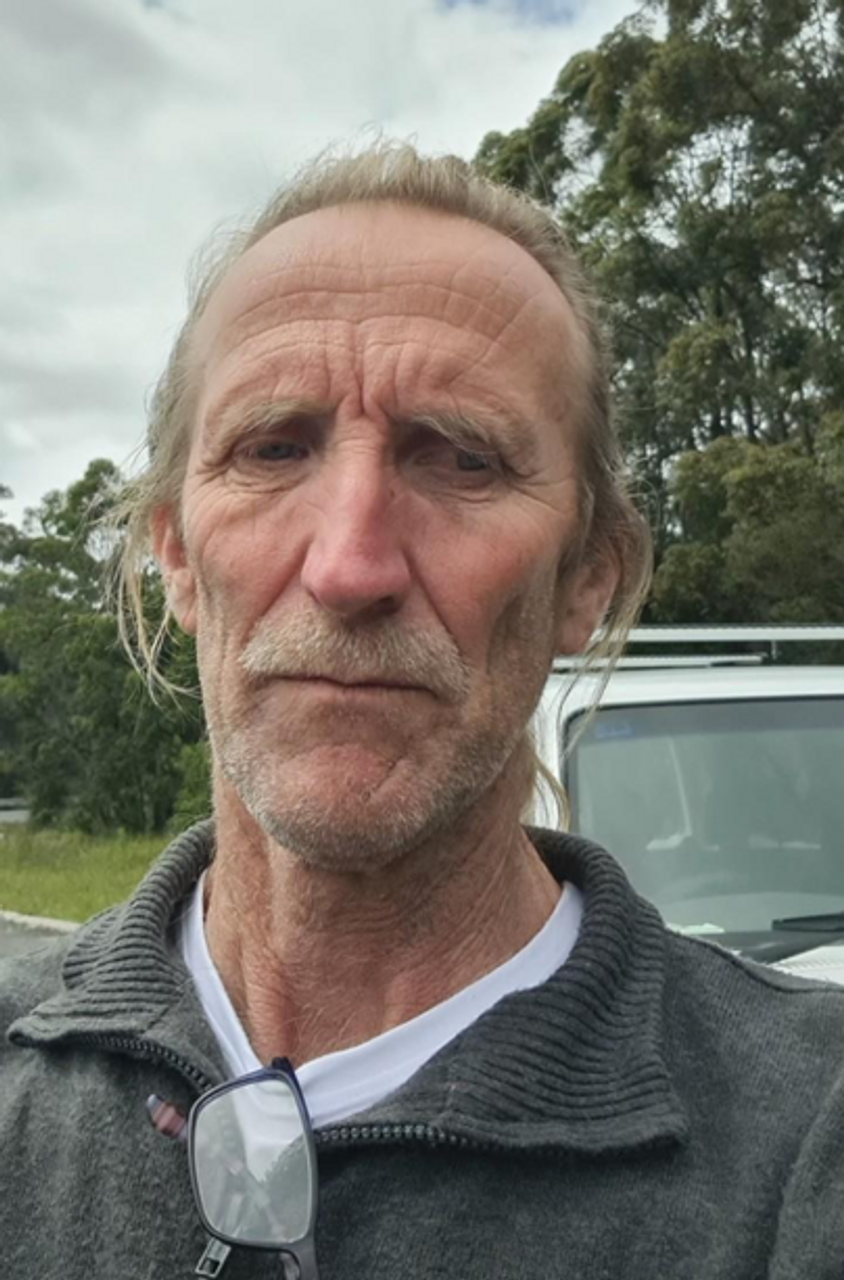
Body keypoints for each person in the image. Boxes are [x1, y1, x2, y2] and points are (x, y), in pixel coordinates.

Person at [2, 141, 844, 1280]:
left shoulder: (805, 1140)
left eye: (462, 459)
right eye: (273, 447)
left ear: (588, 580)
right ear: (179, 558)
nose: (349, 567)